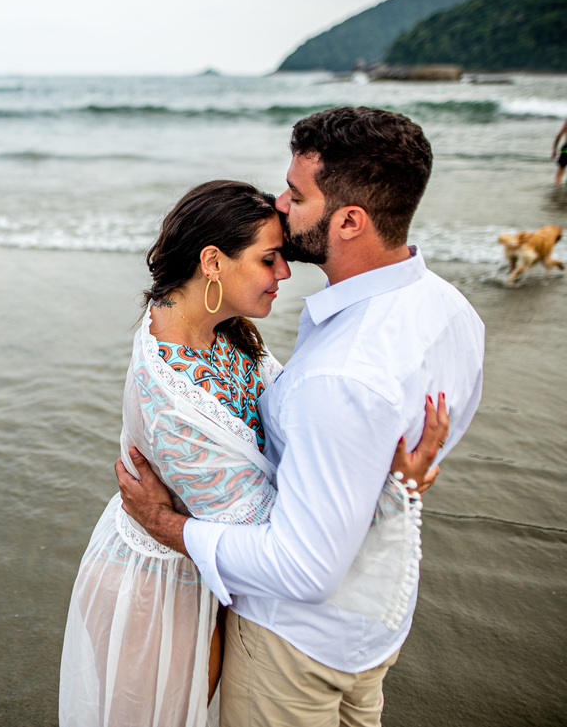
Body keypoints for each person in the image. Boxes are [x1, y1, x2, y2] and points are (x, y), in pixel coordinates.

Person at [117, 107, 485, 727]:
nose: (282, 206)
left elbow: (303, 568)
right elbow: (392, 455)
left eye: (296, 194)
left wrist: (167, 526)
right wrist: (397, 486)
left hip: (297, 645)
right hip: (379, 621)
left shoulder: (339, 373)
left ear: (348, 220)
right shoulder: (450, 312)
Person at [59, 179, 448, 727]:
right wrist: (390, 487)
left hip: (208, 578)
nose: (285, 273)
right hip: (163, 597)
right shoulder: (174, 399)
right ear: (212, 262)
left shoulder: (221, 329)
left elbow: (291, 435)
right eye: (270, 260)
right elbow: (280, 537)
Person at [552, 119, 567, 187]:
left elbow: (558, 136)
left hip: (565, 148)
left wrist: (554, 150)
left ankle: (557, 189)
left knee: (560, 170)